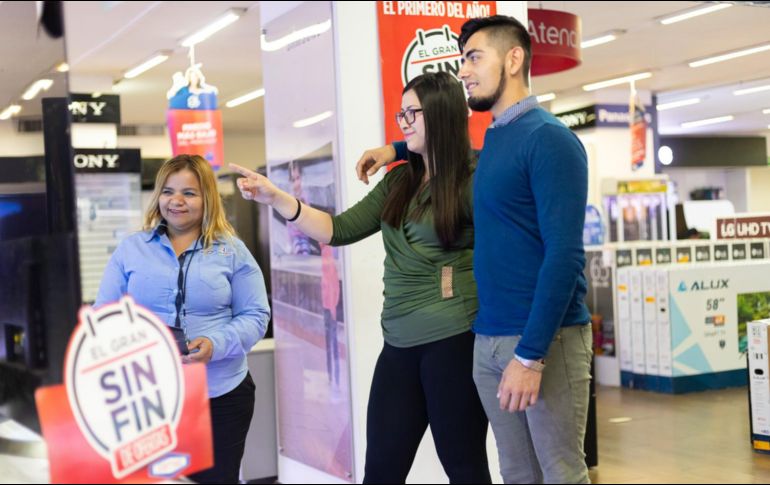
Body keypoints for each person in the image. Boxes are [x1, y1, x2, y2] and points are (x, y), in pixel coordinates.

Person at [356, 15, 592, 485]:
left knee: (561, 473)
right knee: (517, 472)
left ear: (514, 58)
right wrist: (397, 149)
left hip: (545, 339)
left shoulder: (550, 139)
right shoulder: (499, 138)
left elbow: (564, 255)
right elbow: (449, 154)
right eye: (463, 60)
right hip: (487, 339)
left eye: (474, 58)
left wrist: (530, 355)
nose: (463, 70)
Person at [231, 72, 491, 484]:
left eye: (412, 112)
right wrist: (277, 198)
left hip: (454, 342)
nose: (403, 120)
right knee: (381, 471)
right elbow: (338, 229)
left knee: (464, 468)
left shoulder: (478, 176)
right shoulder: (399, 180)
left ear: (440, 112)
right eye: (400, 112)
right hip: (399, 345)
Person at [95, 154, 271, 484]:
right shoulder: (131, 250)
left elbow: (256, 315)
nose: (176, 201)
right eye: (168, 191)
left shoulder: (231, 251)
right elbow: (104, 316)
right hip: (149, 400)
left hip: (220, 395)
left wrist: (215, 344)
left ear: (207, 198)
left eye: (189, 193)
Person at [320, 243, 341, 388]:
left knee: (333, 346)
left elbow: (333, 284)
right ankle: (331, 378)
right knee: (330, 345)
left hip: (330, 307)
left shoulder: (328, 253)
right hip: (327, 306)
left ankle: (335, 379)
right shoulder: (325, 252)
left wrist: (333, 307)